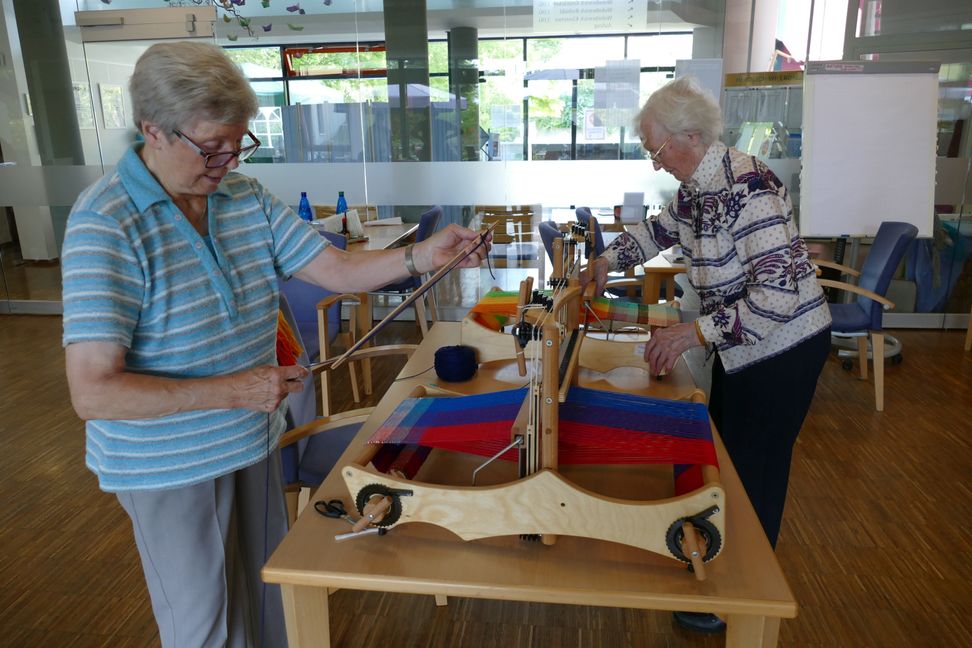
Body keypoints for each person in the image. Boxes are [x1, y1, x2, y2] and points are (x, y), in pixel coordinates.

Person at [61, 42, 489, 648]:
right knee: (205, 625)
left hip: (249, 436)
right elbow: (93, 392)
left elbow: (336, 271)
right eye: (212, 148)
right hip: (167, 462)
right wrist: (236, 388)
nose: (227, 162)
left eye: (240, 145)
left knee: (270, 602)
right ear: (152, 130)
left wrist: (422, 254)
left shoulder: (242, 197)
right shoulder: (106, 222)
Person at [582, 76, 831, 634]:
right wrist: (607, 259)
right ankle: (721, 571)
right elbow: (659, 231)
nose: (654, 163)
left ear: (688, 136)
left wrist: (695, 334)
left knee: (754, 473)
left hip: (783, 348)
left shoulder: (749, 187)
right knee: (728, 463)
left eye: (656, 149)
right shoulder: (699, 184)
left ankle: (742, 601)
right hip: (745, 346)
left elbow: (776, 295)